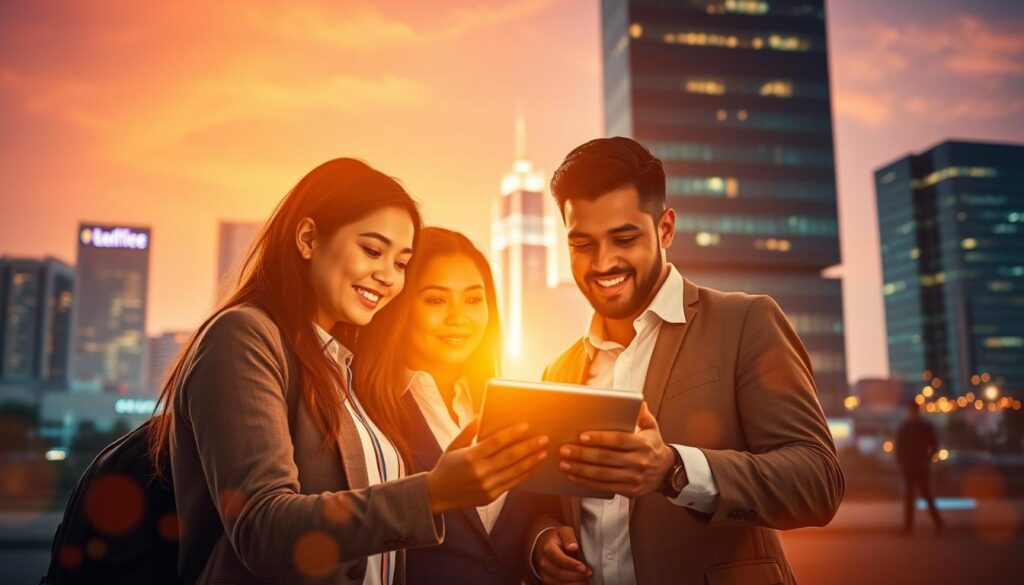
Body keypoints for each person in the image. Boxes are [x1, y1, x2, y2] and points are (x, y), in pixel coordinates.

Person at [148, 158, 549, 584]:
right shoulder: (244, 335)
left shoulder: (339, 364)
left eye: (401, 263)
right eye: (373, 251)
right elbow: (262, 528)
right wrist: (433, 493)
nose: (387, 277)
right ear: (308, 238)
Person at [528, 138, 844, 584]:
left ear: (665, 229)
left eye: (624, 238)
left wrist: (674, 470)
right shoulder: (557, 373)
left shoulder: (745, 322)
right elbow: (548, 504)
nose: (603, 262)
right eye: (582, 244)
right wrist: (542, 540)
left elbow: (818, 482)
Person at [356, 227, 555, 584]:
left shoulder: (513, 406)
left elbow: (530, 518)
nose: (458, 318)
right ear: (400, 306)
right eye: (436, 300)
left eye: (474, 299)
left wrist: (544, 542)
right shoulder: (363, 410)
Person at [895, 400, 945, 535]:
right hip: (917, 466)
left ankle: (911, 527)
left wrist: (902, 461)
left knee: (917, 496)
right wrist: (927, 459)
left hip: (915, 466)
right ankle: (936, 524)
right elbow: (934, 446)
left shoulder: (908, 427)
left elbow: (899, 448)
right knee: (919, 496)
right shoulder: (921, 427)